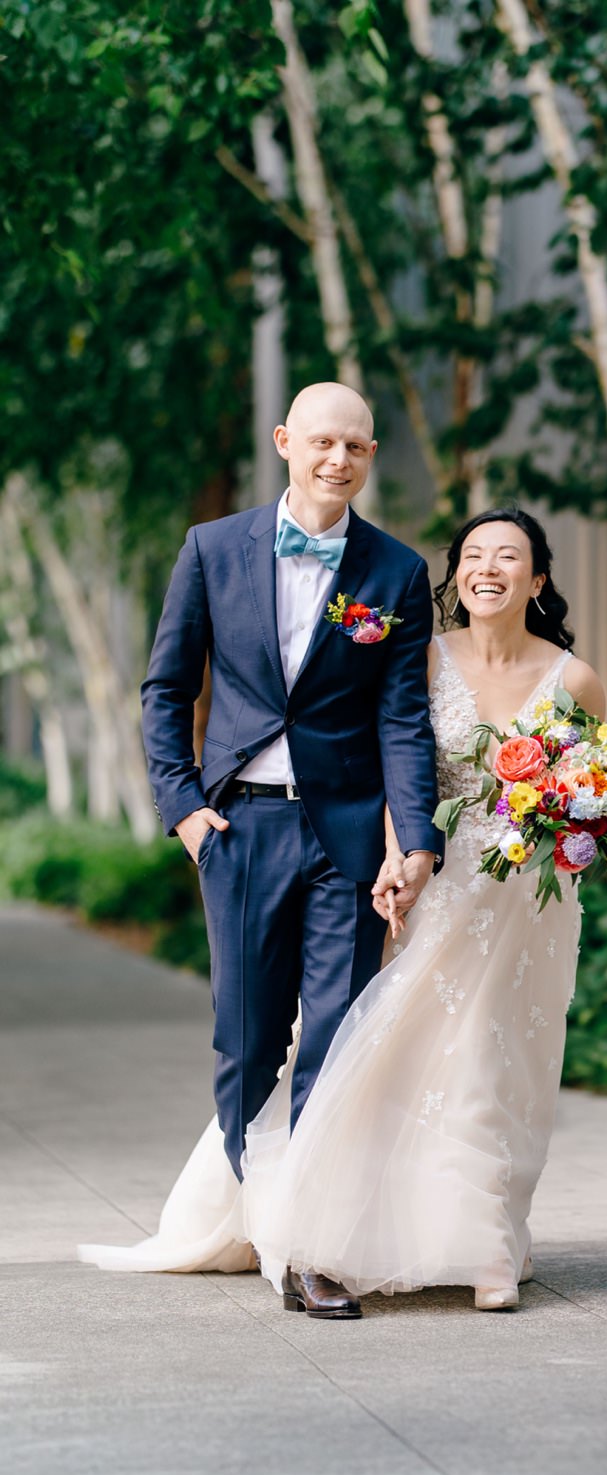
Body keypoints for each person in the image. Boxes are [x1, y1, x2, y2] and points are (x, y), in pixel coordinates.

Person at [83, 505, 607, 1317]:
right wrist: (404, 855)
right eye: (474, 554)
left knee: (504, 1071)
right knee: (381, 1058)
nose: (489, 568)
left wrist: (585, 822)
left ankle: (492, 1240)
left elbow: (597, 786)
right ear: (456, 572)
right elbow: (395, 746)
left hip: (526, 905)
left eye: (509, 557)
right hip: (429, 883)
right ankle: (305, 1219)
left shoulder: (573, 678)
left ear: (539, 579)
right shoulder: (426, 658)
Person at [109, 383, 443, 1318]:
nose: (339, 461)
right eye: (323, 442)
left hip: (346, 835)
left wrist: (413, 839)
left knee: (336, 1039)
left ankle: (314, 1247)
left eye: (358, 448)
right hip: (241, 826)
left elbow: (402, 717)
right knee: (249, 1039)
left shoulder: (396, 570)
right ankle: (256, 1210)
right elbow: (165, 687)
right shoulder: (214, 548)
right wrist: (182, 809)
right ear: (286, 442)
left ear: (371, 456)